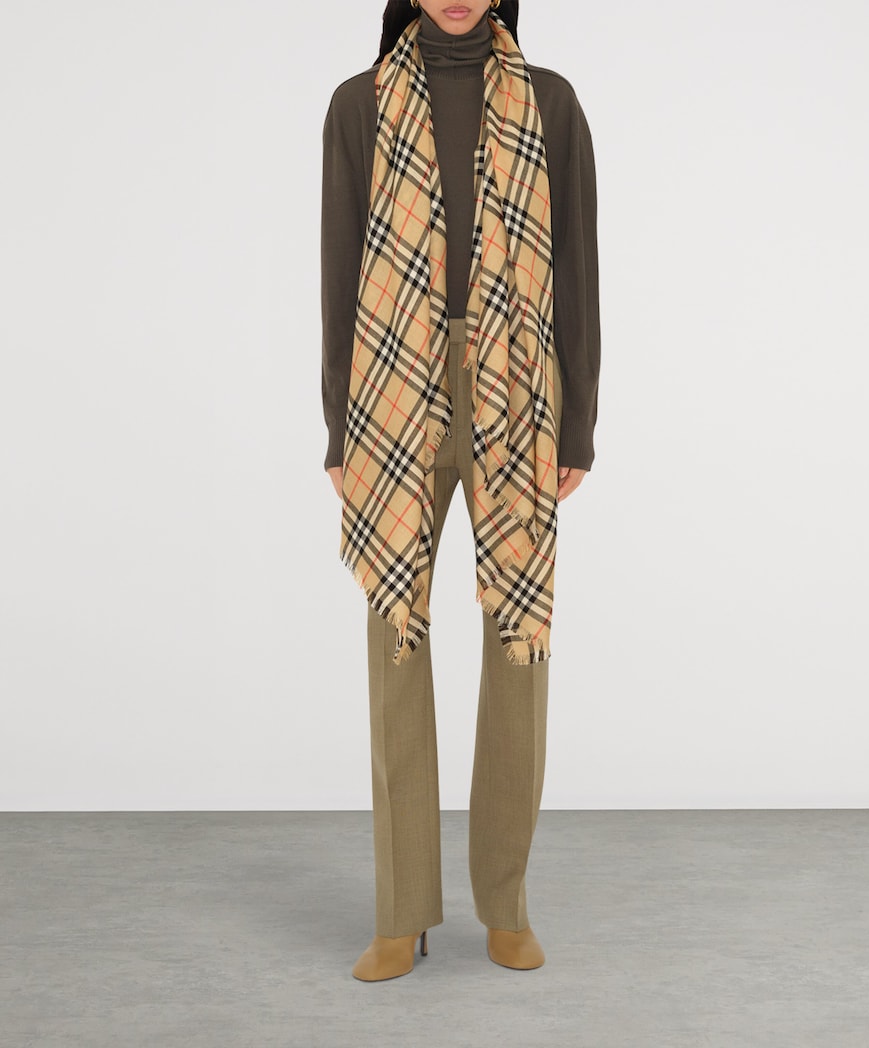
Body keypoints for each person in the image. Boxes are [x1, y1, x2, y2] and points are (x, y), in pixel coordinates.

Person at [320, 0, 600, 981]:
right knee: (394, 636)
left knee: (518, 639)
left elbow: (577, 268)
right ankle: (401, 912)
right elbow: (340, 272)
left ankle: (505, 904)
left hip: (517, 387)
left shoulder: (551, 104)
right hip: (392, 386)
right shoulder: (359, 105)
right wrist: (338, 425)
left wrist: (578, 421)